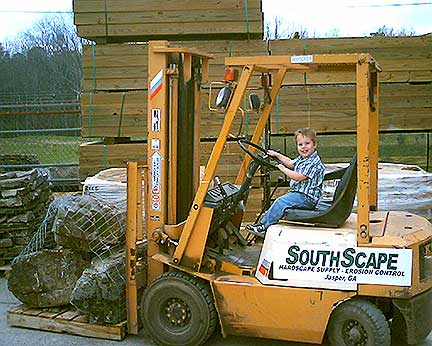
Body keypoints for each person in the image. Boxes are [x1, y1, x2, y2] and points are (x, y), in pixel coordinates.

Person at [246, 128, 325, 237]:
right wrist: (277, 155)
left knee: (281, 202)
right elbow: (291, 163)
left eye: (307, 143)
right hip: (299, 194)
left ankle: (263, 227)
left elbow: (299, 177)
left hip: (307, 198)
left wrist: (283, 170)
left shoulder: (313, 162)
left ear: (314, 145)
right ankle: (264, 224)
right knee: (282, 201)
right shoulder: (303, 159)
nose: (304, 147)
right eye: (300, 144)